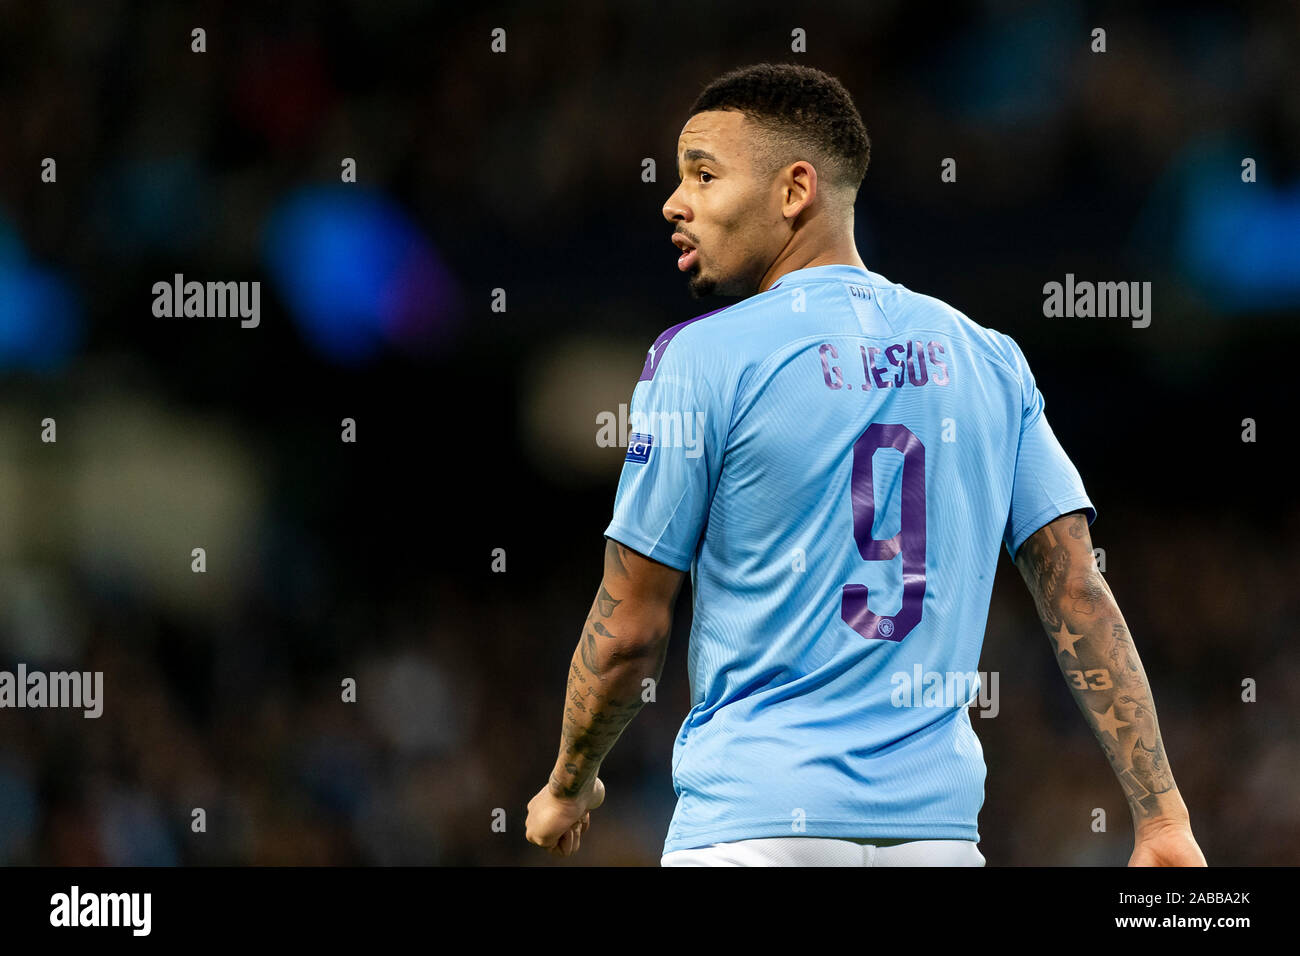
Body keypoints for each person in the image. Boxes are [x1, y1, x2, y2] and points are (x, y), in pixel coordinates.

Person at [525, 62, 1205, 867]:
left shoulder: (699, 359)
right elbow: (1078, 595)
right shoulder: (989, 357)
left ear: (794, 189)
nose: (675, 202)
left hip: (751, 831)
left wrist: (569, 781)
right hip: (937, 841)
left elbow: (632, 626)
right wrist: (1162, 818)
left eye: (704, 175)